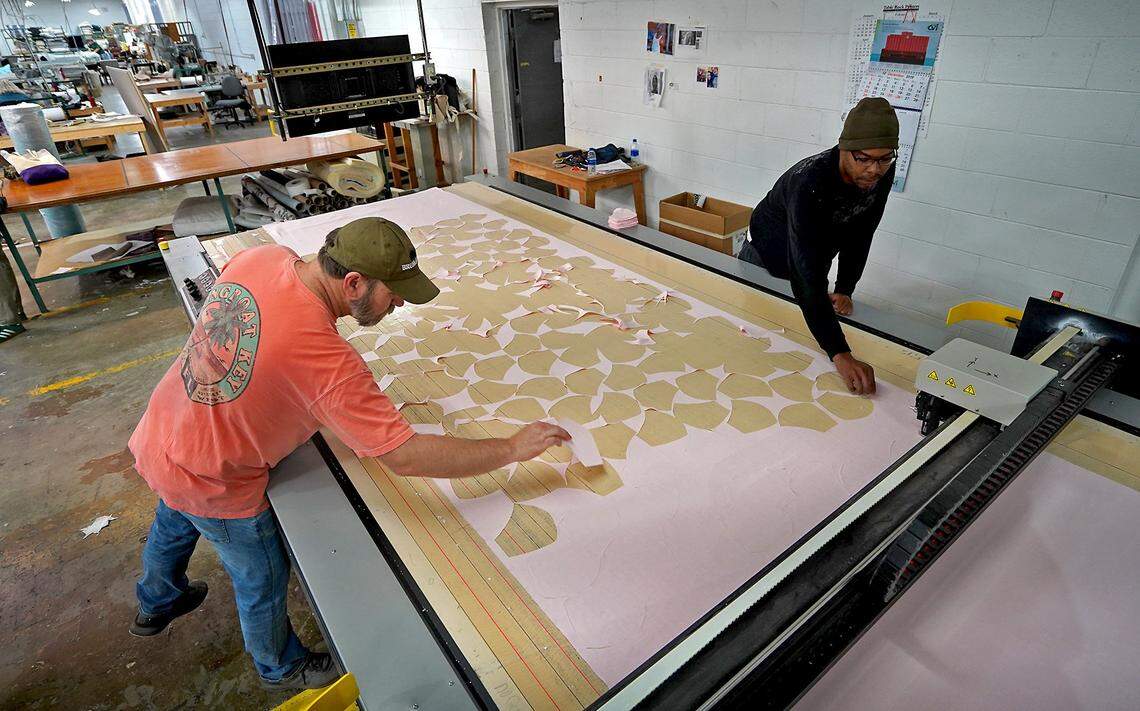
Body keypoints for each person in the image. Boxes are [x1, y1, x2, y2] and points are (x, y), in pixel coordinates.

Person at [127, 217, 571, 691]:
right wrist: (510, 447)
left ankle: (156, 603)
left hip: (165, 433)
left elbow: (257, 337)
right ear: (354, 282)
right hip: (217, 477)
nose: (399, 303)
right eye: (393, 292)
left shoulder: (263, 258)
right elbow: (404, 455)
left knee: (172, 519)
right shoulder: (326, 362)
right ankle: (279, 666)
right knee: (262, 574)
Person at [738, 97, 899, 395]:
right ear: (845, 149)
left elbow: (863, 232)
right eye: (864, 159)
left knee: (794, 338)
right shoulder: (810, 182)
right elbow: (806, 274)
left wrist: (845, 288)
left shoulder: (880, 175)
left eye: (885, 158)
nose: (875, 170)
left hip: (810, 256)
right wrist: (841, 354)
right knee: (756, 342)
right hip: (765, 254)